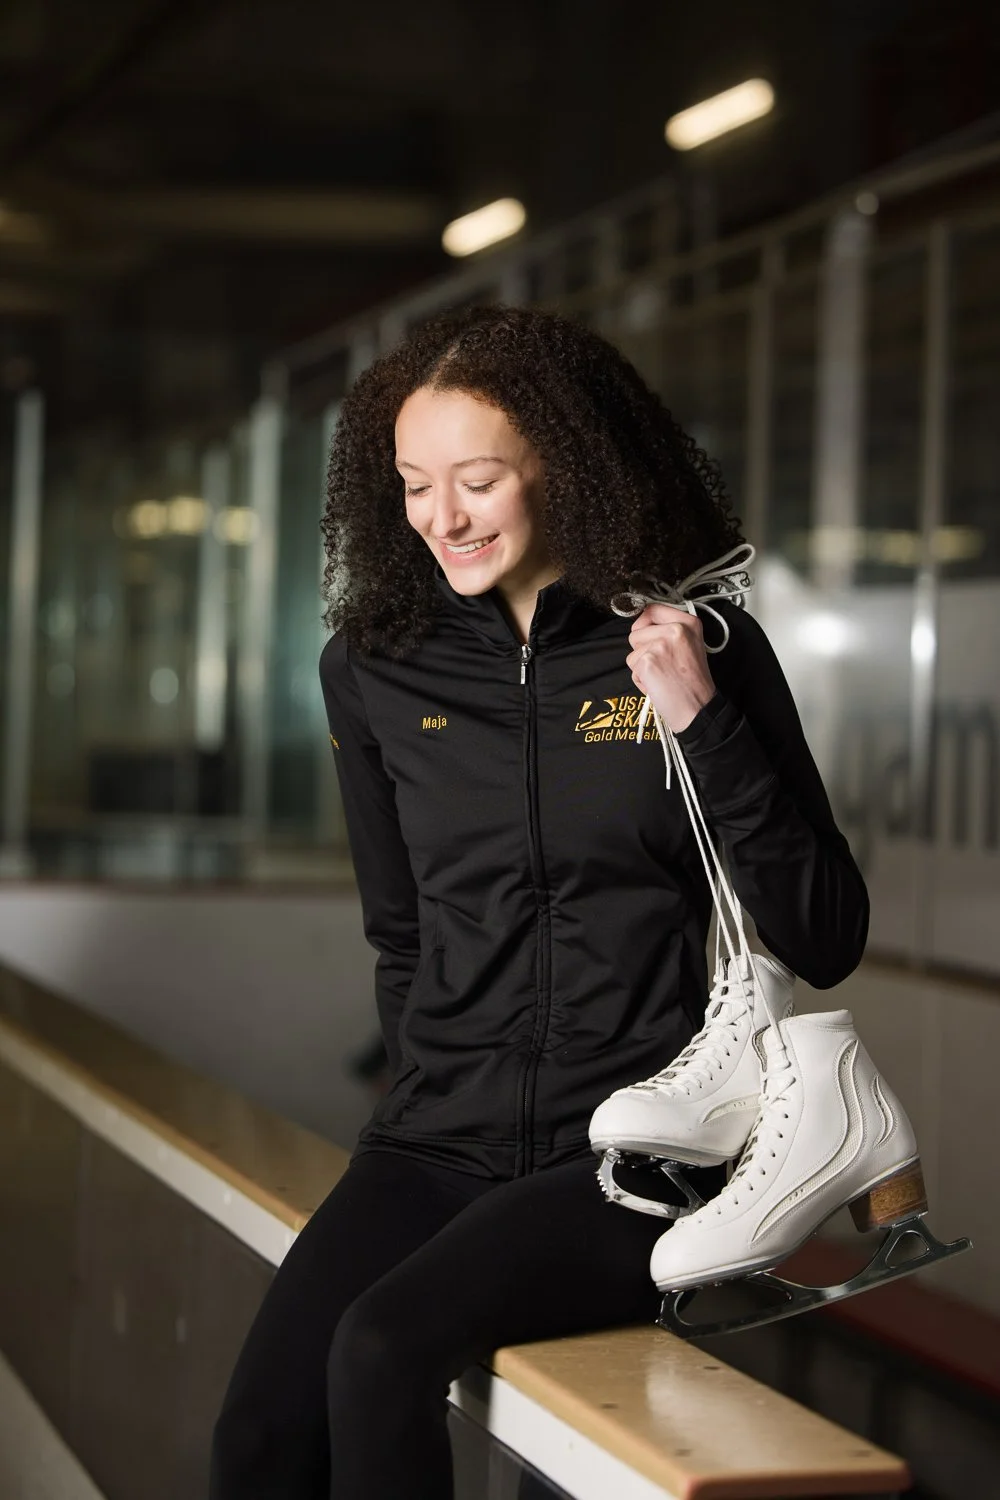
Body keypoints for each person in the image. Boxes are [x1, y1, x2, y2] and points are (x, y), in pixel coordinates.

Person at [209, 303, 869, 1500]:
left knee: (380, 1349)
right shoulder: (372, 663)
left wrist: (700, 723)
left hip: (627, 1153)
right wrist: (424, 1086)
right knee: (258, 1438)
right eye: (412, 484)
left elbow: (826, 932)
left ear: (561, 467)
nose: (440, 518)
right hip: (433, 1136)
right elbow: (400, 929)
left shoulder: (696, 642)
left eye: (476, 480)